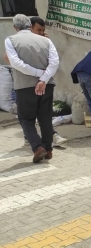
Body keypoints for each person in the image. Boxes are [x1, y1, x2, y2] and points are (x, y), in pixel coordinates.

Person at [4, 14, 59, 162]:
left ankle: (37, 147)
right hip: (47, 85)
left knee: (25, 118)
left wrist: (37, 74)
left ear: (15, 27)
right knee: (45, 118)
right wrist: (43, 78)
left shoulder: (10, 40)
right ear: (29, 25)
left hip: (25, 86)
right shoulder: (46, 41)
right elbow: (54, 63)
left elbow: (15, 63)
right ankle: (48, 149)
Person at [26, 16, 67, 147]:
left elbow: (53, 62)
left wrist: (47, 43)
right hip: (28, 84)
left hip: (45, 83)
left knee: (45, 112)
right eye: (39, 30)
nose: (41, 32)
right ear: (30, 28)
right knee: (29, 114)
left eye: (43, 30)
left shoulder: (46, 42)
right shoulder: (22, 43)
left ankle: (51, 136)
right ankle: (31, 137)